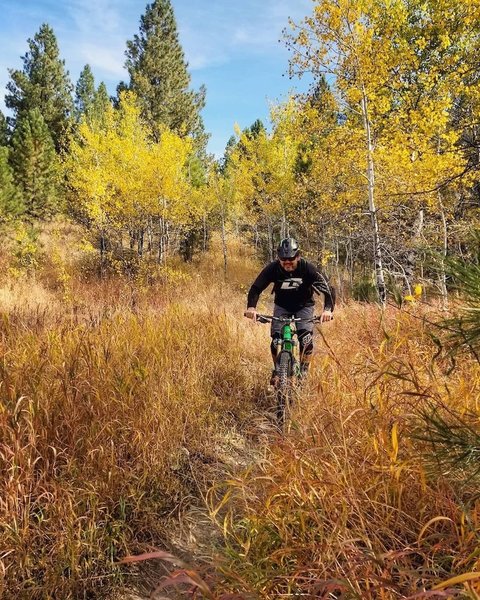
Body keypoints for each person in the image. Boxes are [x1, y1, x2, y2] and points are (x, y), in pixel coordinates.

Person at [245, 237, 335, 382]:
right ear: (279, 258)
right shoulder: (273, 268)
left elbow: (328, 289)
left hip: (304, 306)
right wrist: (251, 307)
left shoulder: (307, 268)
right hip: (282, 306)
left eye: (291, 259)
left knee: (306, 339)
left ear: (298, 256)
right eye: (283, 259)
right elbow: (256, 288)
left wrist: (328, 310)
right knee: (275, 341)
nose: (287, 262)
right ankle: (277, 370)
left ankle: (303, 373)